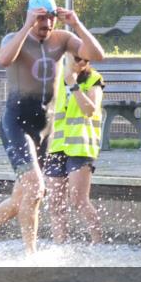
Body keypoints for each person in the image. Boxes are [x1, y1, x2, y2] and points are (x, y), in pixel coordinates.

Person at [0, 0, 105, 255]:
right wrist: (25, 27)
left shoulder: (62, 39)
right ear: (31, 16)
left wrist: (76, 24)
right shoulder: (15, 38)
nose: (47, 25)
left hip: (44, 129)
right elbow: (3, 59)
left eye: (51, 18)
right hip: (16, 123)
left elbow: (97, 55)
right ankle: (31, 256)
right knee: (36, 188)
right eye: (41, 19)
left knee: (25, 195)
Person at [44, 52, 105, 244]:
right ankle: (59, 244)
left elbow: (90, 109)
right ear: (68, 56)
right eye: (78, 59)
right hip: (56, 146)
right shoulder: (55, 77)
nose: (82, 63)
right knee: (55, 202)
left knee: (79, 200)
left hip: (81, 146)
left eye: (86, 60)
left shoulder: (93, 79)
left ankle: (98, 243)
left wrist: (73, 84)